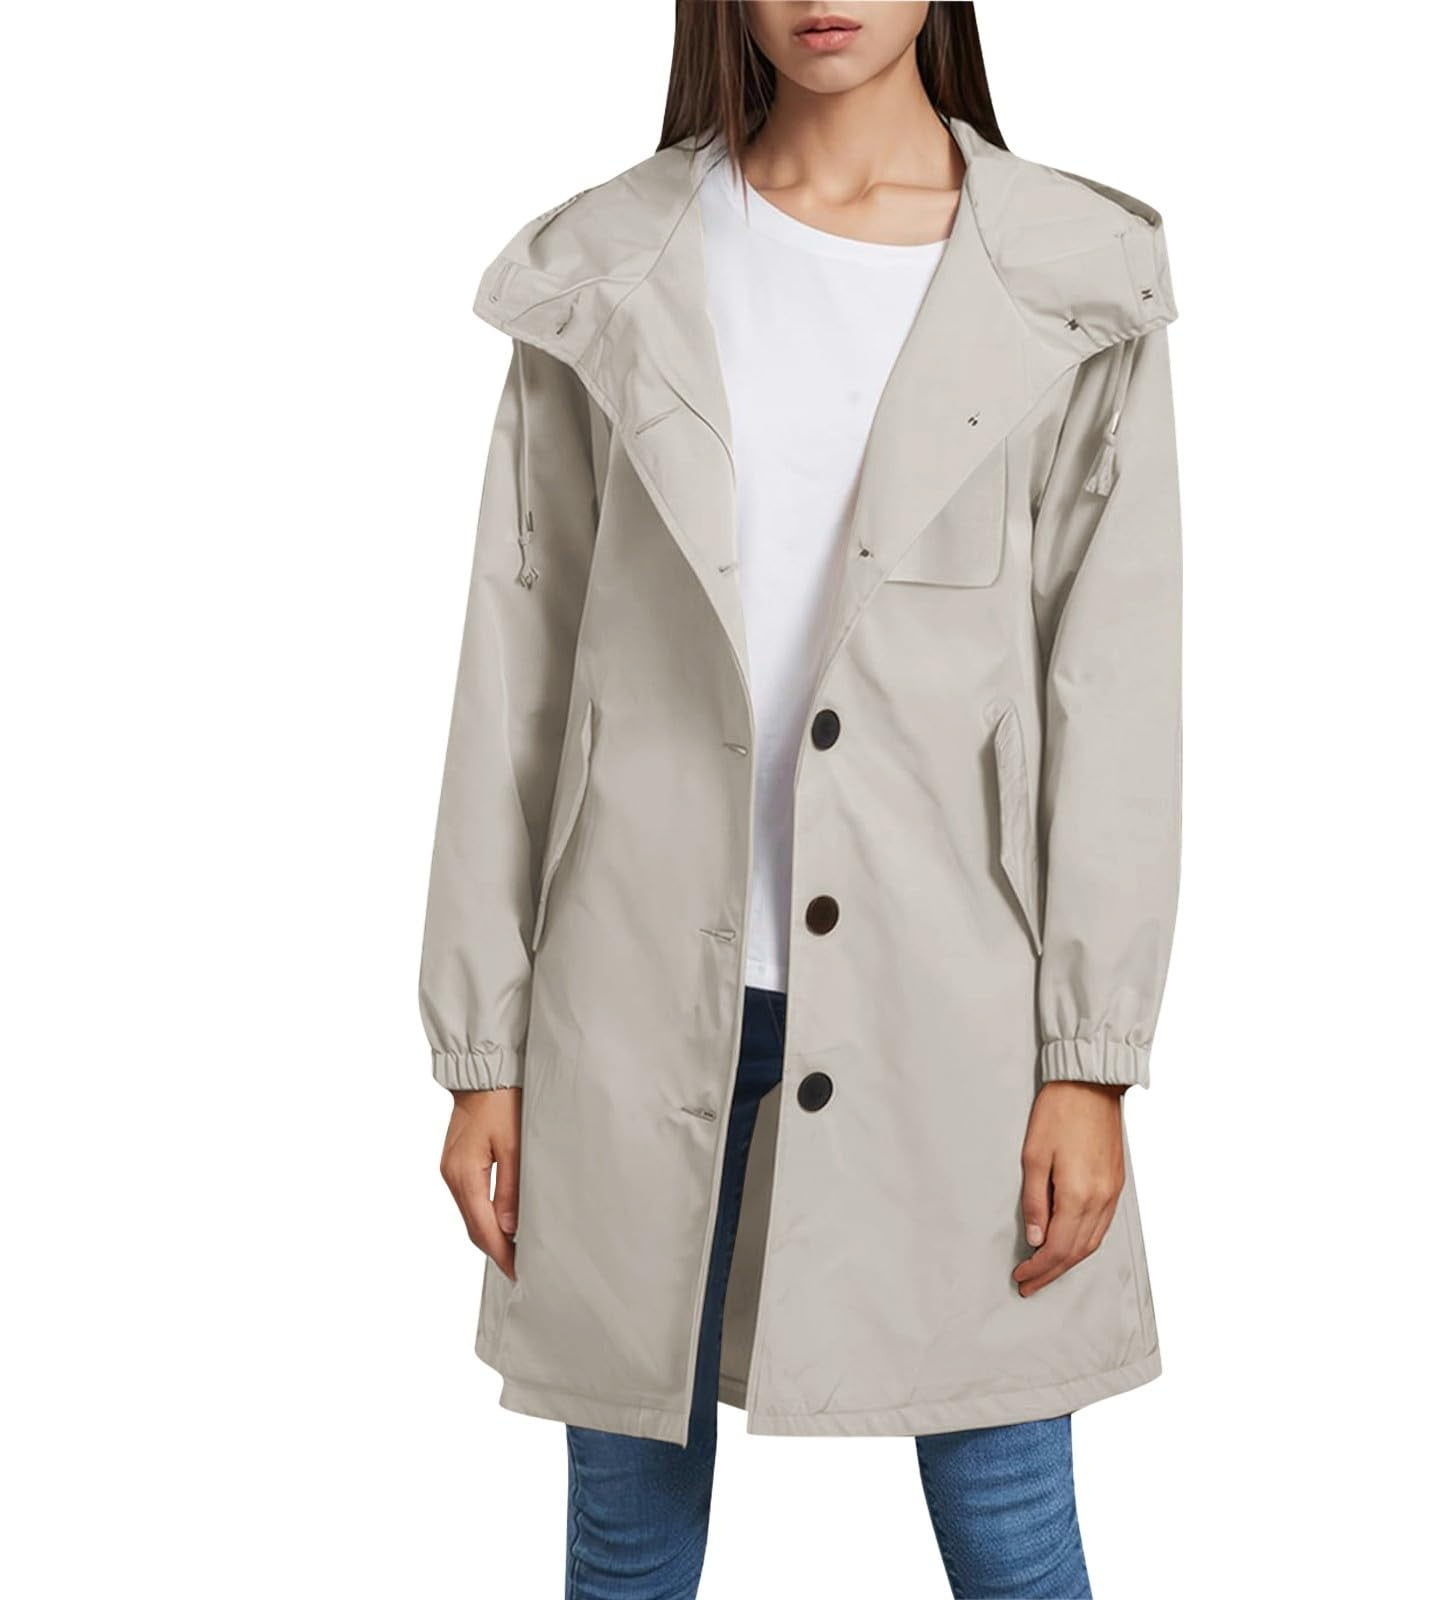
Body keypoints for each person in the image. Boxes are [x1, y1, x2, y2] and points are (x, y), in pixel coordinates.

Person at [420, 4, 1181, 1595]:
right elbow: (518, 664)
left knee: (1010, 1513)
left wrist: (1090, 1060)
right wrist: (485, 1050)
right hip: (633, 1001)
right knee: (626, 1535)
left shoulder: (1068, 276)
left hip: (954, 1010)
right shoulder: (612, 266)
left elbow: (1110, 696)